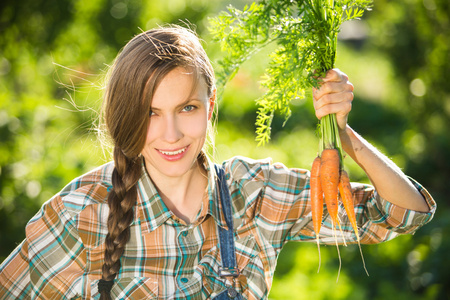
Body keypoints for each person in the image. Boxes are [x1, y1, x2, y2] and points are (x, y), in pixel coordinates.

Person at [0, 26, 435, 300]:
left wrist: (343, 135)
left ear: (210, 107)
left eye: (186, 108)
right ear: (125, 118)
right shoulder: (82, 213)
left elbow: (402, 214)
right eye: (151, 113)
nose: (170, 135)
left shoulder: (254, 193)